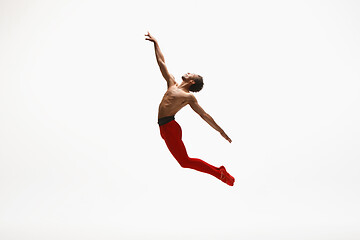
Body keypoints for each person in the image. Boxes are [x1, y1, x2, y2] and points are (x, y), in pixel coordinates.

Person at [145, 32, 235, 186]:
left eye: (189, 73)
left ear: (192, 81)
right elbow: (161, 61)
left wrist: (221, 131)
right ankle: (219, 171)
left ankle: (220, 173)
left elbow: (204, 115)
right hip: (164, 128)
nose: (186, 72)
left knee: (185, 162)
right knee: (184, 161)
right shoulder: (171, 83)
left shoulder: (188, 97)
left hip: (170, 127)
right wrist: (156, 43)